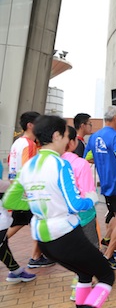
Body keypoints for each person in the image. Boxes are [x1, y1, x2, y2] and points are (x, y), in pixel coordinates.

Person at [2, 115, 114, 307]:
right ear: (56, 136)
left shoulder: (29, 165)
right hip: (65, 234)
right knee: (106, 275)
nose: (67, 141)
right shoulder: (60, 164)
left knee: (84, 273)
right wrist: (91, 199)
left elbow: (10, 200)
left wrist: (39, 204)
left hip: (42, 240)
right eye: (64, 136)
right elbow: (74, 205)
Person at [84, 105, 116, 269]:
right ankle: (108, 255)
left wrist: (102, 161)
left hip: (104, 184)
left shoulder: (94, 136)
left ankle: (111, 242)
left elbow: (88, 158)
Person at [7, 111, 55, 268]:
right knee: (36, 221)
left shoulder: (17, 143)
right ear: (30, 125)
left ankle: (37, 256)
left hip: (18, 189)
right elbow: (31, 169)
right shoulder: (29, 145)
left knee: (30, 222)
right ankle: (35, 257)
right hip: (27, 193)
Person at [62, 125, 101, 301]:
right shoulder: (80, 163)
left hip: (61, 216)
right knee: (90, 247)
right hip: (83, 213)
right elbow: (88, 193)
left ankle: (77, 278)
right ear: (72, 143)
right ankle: (80, 285)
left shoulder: (52, 163)